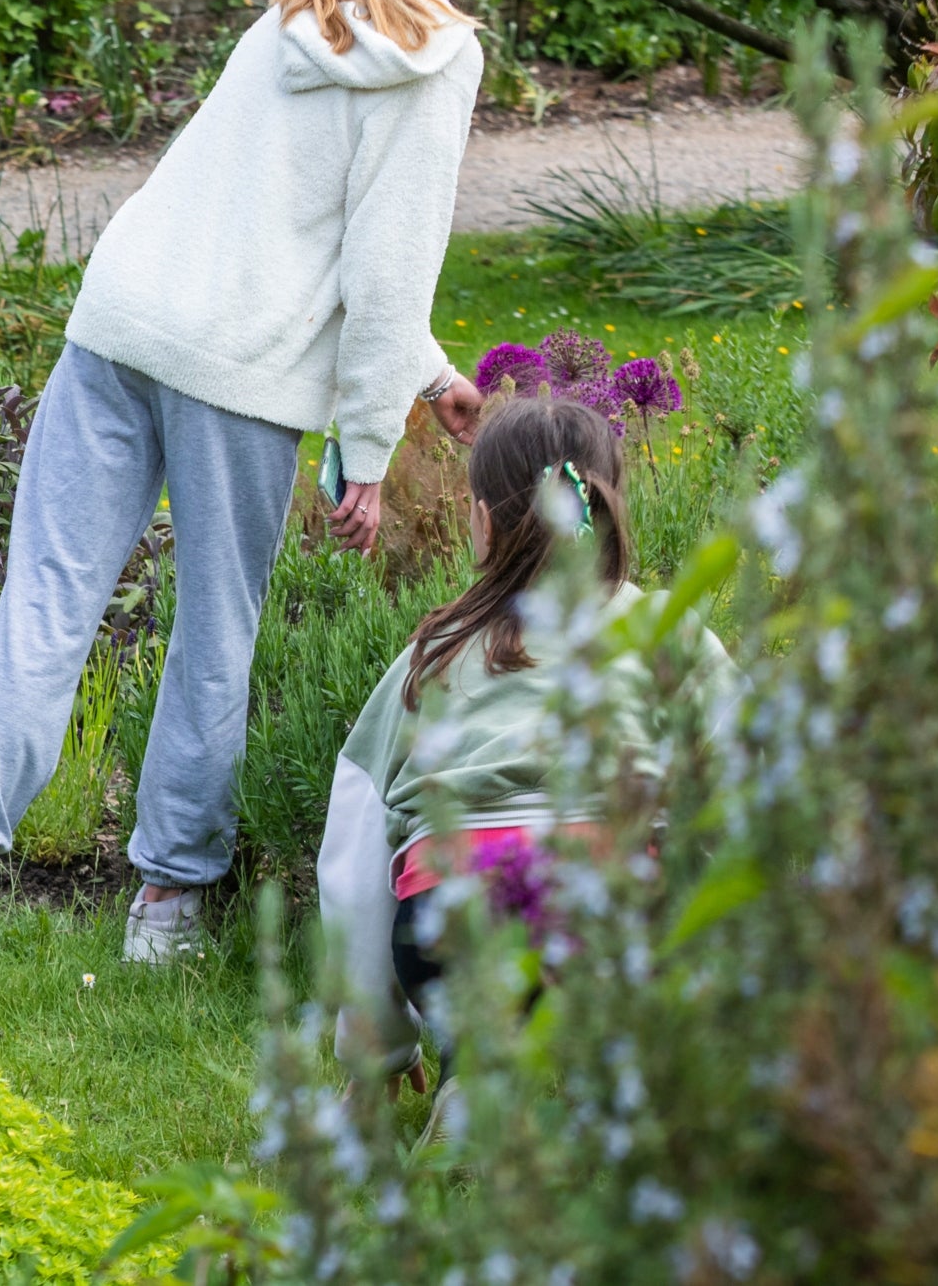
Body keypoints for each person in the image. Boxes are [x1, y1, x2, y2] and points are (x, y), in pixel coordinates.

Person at [0, 0, 494, 994]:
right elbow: (386, 264)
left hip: (120, 324)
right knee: (214, 636)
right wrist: (367, 457)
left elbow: (284, 227)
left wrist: (421, 375)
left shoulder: (294, 12)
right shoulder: (436, 56)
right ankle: (165, 901)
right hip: (240, 374)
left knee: (45, 603)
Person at [314, 394, 736, 1138]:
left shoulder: (433, 654)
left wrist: (373, 1048)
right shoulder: (668, 633)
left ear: (479, 521)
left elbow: (352, 866)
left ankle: (474, 1083)